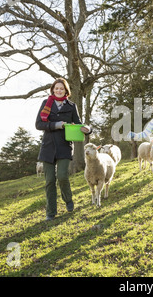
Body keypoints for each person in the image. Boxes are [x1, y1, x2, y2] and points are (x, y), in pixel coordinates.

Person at [35, 78, 92, 221]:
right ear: (53, 89)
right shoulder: (45, 104)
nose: (59, 90)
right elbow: (38, 124)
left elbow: (79, 124)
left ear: (66, 91)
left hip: (64, 147)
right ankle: (51, 212)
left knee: (62, 176)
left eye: (62, 88)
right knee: (49, 180)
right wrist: (56, 125)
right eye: (56, 88)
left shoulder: (72, 106)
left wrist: (88, 130)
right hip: (48, 147)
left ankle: (68, 200)